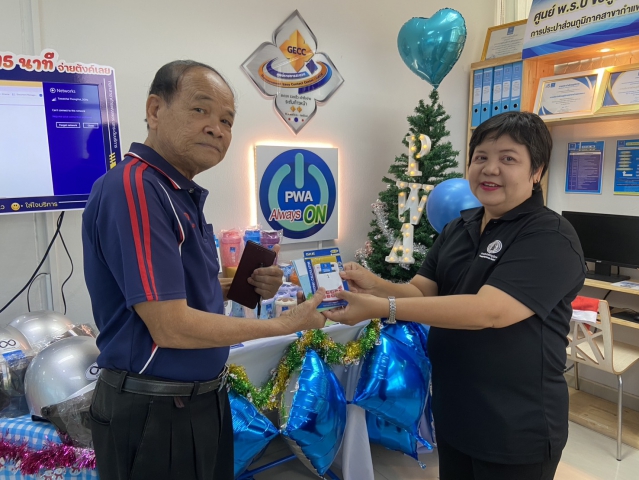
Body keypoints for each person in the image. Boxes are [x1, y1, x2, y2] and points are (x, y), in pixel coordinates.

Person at [82, 60, 326, 480]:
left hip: (198, 401)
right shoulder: (137, 187)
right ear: (155, 110)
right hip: (155, 412)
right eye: (200, 110)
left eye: (227, 120)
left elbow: (171, 292)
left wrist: (240, 287)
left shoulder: (178, 192)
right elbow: (169, 326)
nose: (217, 129)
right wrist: (285, 324)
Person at [324, 111, 586, 480]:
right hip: (455, 415)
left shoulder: (549, 236)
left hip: (515, 428)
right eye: (481, 157)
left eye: (508, 158)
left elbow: (489, 311)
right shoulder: (459, 227)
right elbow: (420, 290)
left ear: (537, 171)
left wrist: (382, 307)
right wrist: (374, 284)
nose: (490, 168)